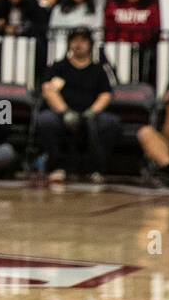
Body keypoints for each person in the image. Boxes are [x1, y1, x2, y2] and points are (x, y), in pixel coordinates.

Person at [37, 27, 121, 183]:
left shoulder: (99, 69)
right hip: (63, 113)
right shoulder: (58, 67)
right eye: (75, 40)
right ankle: (58, 167)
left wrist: (92, 112)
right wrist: (65, 112)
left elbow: (106, 94)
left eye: (83, 41)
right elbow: (48, 90)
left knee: (111, 123)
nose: (78, 44)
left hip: (91, 114)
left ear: (90, 44)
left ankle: (97, 169)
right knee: (45, 120)